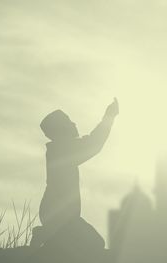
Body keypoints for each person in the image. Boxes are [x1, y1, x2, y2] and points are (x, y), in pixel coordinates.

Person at [31, 98, 119, 248]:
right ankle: (45, 234)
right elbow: (93, 144)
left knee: (90, 243)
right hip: (59, 216)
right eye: (69, 121)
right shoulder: (62, 150)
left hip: (59, 215)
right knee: (95, 243)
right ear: (61, 129)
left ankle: (47, 235)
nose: (74, 124)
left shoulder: (59, 150)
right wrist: (109, 117)